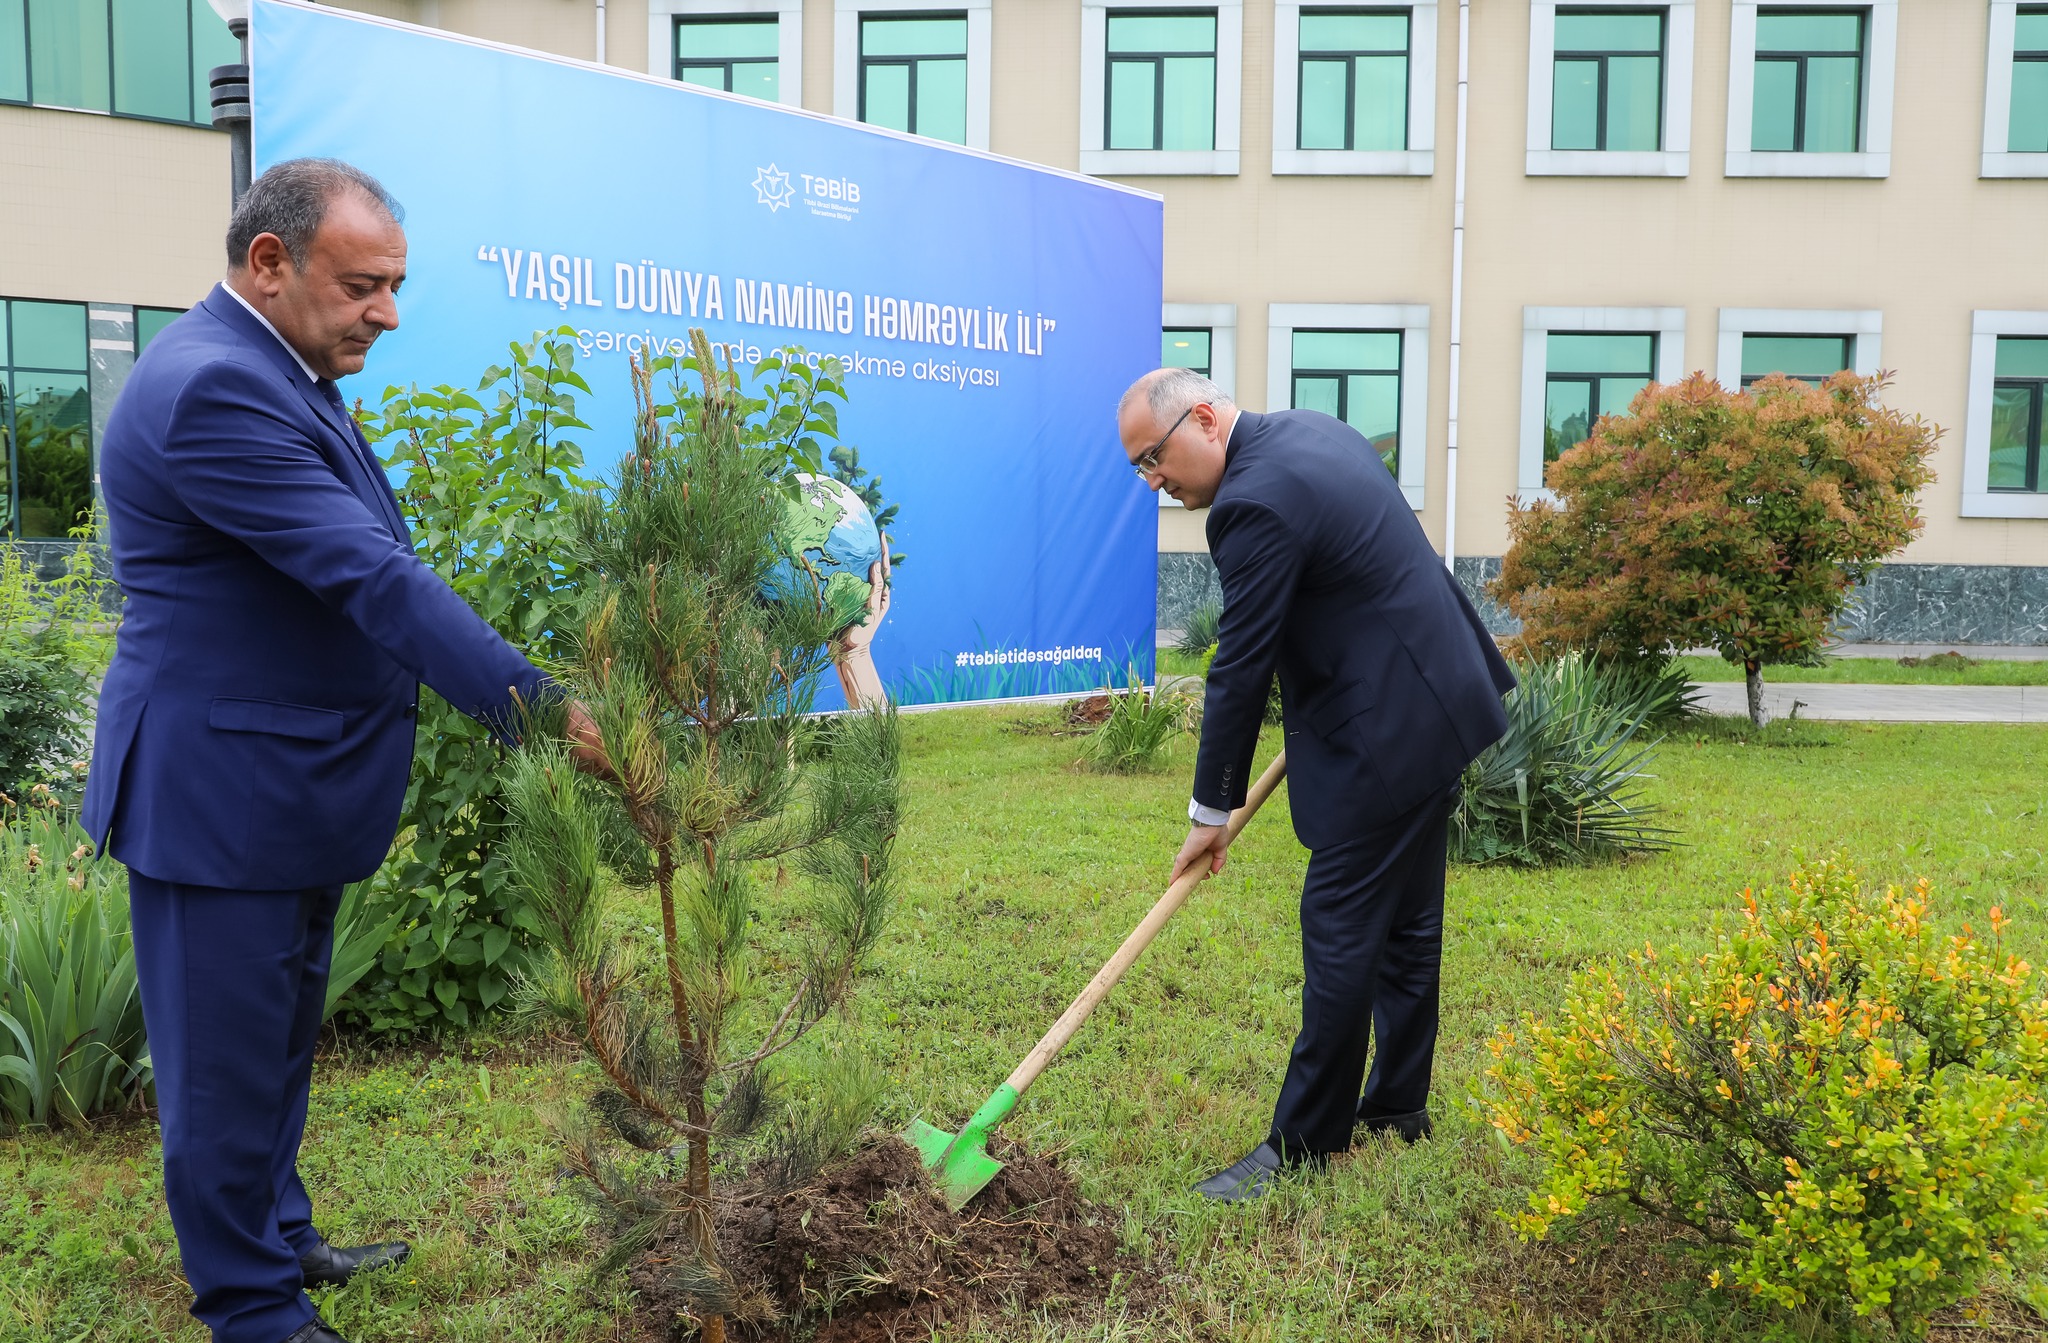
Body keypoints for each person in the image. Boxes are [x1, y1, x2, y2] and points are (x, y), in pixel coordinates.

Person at [83, 158, 590, 1343]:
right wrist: (548, 711)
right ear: (270, 263)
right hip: (218, 796)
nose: (389, 314)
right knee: (222, 1068)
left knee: (276, 1042)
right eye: (364, 285)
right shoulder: (213, 387)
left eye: (394, 285)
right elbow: (370, 575)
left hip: (279, 787)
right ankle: (252, 1308)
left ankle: (280, 1234)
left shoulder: (281, 369)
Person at [1117, 367, 1516, 1202]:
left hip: (1391, 732)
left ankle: (1302, 1143)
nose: (1154, 480)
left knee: (1339, 926)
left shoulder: (1249, 504)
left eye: (1154, 458)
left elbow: (1239, 665)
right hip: (1443, 700)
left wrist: (1210, 809)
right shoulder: (1310, 429)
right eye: (1140, 470)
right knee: (1408, 924)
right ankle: (1399, 1105)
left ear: (1202, 418)